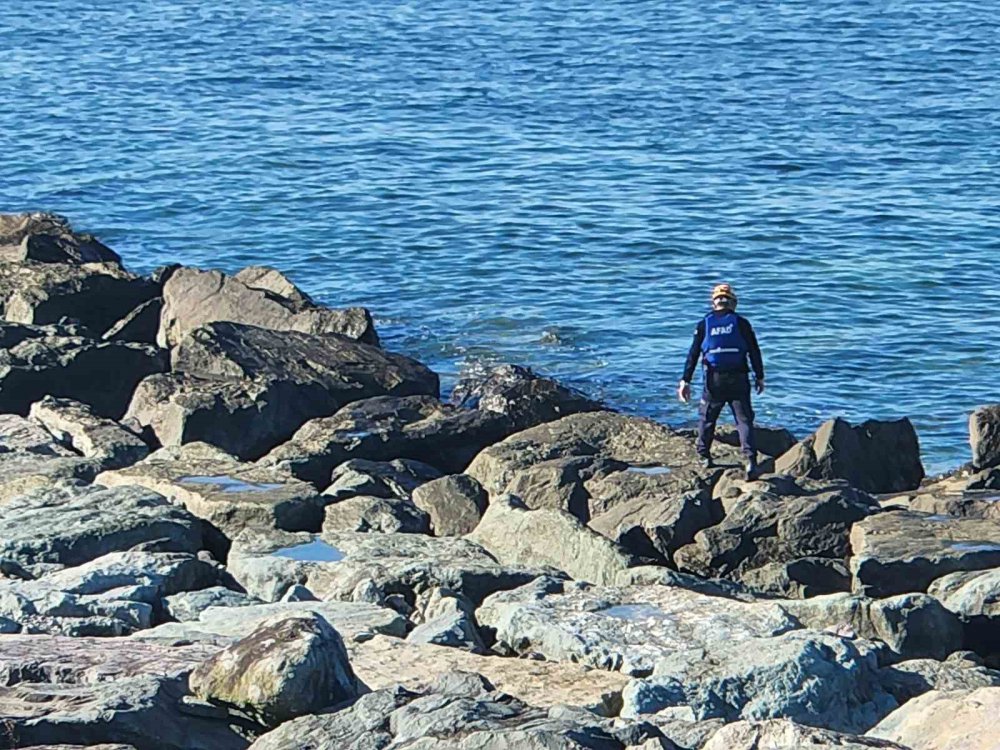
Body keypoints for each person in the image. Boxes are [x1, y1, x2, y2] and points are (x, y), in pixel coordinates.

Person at [677, 283, 765, 479]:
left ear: (714, 302)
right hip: (739, 377)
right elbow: (754, 351)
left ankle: (704, 456)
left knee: (707, 417)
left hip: (713, 379)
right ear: (732, 302)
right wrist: (759, 376)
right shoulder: (741, 323)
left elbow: (693, 354)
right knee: (744, 420)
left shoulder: (704, 324)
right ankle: (750, 460)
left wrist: (685, 380)